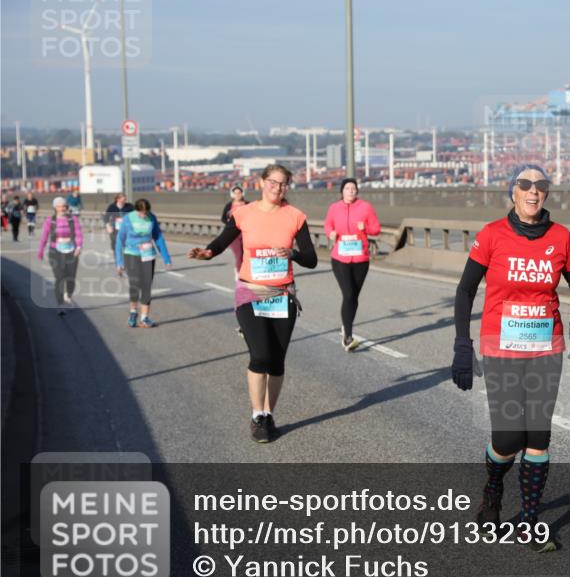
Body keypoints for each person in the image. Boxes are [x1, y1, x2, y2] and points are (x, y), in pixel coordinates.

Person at [452, 164, 570, 553]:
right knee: (509, 437)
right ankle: (493, 489)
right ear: (512, 192)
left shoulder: (560, 237)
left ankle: (529, 523)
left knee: (538, 434)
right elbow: (465, 290)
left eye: (540, 185)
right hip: (502, 347)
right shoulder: (492, 235)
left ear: (546, 193)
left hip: (546, 347)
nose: (533, 191)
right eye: (525, 184)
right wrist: (462, 344)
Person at [188, 165, 318, 443]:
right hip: (251, 292)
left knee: (277, 361)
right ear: (261, 182)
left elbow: (311, 259)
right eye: (273, 182)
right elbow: (221, 242)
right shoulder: (243, 213)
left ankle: (269, 414)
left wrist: (292, 253)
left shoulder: (295, 216)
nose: (278, 188)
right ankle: (257, 415)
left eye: (284, 184)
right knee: (260, 355)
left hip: (282, 294)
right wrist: (207, 252)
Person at [324, 178, 381, 351]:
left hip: (360, 259)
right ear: (342, 191)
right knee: (348, 294)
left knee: (354, 296)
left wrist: (365, 228)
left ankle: (346, 324)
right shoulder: (334, 208)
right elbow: (328, 225)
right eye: (347, 188)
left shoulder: (366, 207)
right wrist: (330, 233)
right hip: (340, 258)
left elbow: (376, 229)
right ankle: (348, 337)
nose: (350, 191)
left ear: (357, 191)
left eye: (353, 188)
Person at [115, 198, 172, 328]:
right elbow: (119, 240)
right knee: (135, 284)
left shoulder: (152, 218)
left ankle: (144, 318)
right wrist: (119, 262)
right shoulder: (128, 219)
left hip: (148, 255)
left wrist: (166, 258)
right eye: (141, 213)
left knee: (146, 285)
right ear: (136, 210)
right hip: (131, 254)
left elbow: (158, 238)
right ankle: (133, 312)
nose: (143, 215)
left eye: (146, 213)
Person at [36, 197, 83, 313]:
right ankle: (60, 304)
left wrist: (78, 246)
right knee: (60, 277)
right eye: (59, 206)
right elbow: (44, 236)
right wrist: (41, 250)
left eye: (63, 206)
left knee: (71, 278)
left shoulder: (73, 219)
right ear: (55, 208)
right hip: (55, 251)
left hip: (71, 251)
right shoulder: (50, 221)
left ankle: (69, 295)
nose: (62, 208)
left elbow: (78, 234)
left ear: (66, 207)